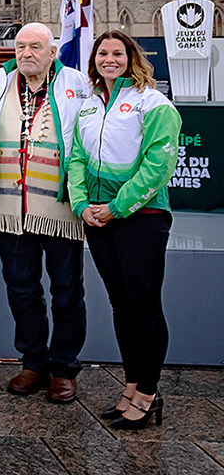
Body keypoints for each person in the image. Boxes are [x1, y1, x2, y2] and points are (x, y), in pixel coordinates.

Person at [69, 30, 181, 430]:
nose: (109, 59)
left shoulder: (153, 104)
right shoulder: (89, 104)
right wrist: (82, 205)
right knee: (121, 305)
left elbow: (158, 165)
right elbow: (77, 159)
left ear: (132, 58)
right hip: (99, 219)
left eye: (118, 53)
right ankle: (131, 384)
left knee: (144, 306)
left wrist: (116, 208)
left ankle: (149, 394)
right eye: (103, 53)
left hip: (141, 217)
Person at [0, 23, 92, 404]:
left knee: (66, 291)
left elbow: (90, 139)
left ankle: (63, 367)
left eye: (35, 47)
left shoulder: (77, 85)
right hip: (12, 207)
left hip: (59, 207)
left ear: (52, 52)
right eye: (20, 47)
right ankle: (33, 362)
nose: (26, 53)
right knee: (21, 290)